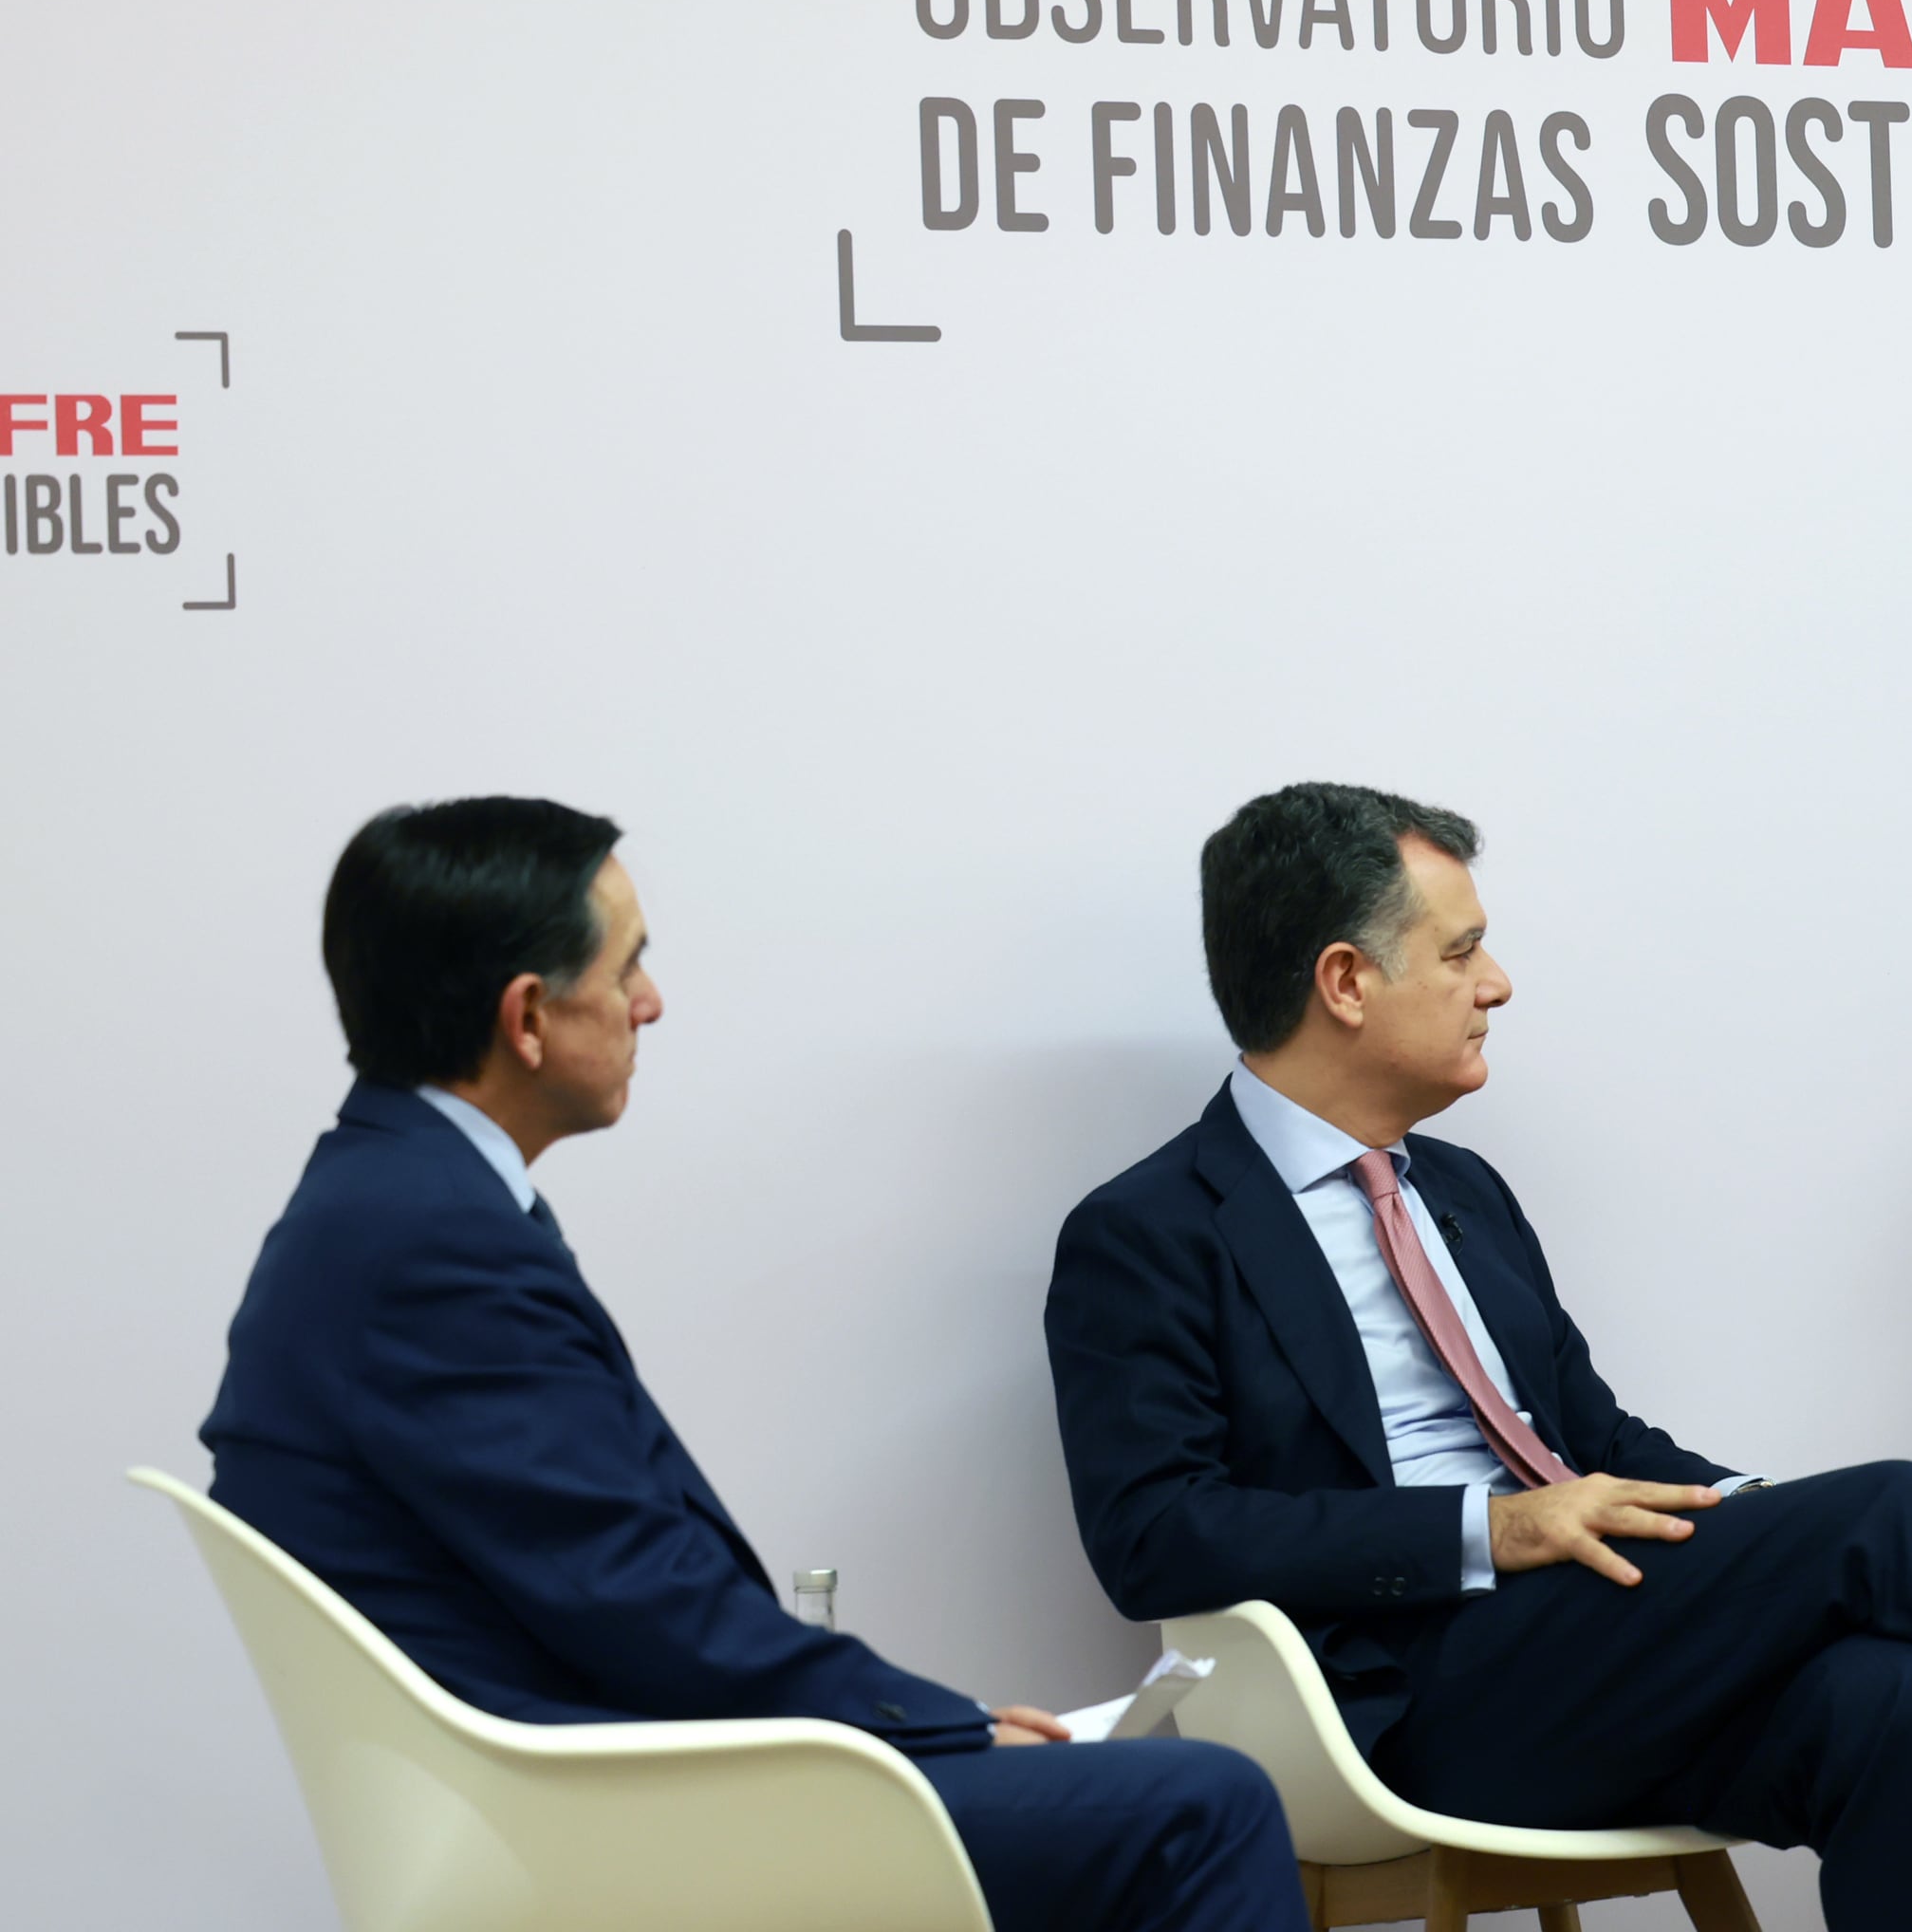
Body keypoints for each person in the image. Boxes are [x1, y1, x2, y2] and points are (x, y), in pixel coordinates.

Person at [1043, 782, 1912, 1932]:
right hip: (1397, 1701)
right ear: (1347, 981)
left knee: (1890, 1695)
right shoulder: (1148, 1232)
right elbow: (1155, 1534)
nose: (1500, 983)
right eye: (1462, 952)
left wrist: (1753, 1528)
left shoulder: (1462, 1194)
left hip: (1593, 1655)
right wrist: (1489, 1530)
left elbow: (1599, 1441)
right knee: (1894, 1508)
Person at [204, 799, 1300, 1932]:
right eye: (629, 965)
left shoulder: (383, 1202)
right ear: (527, 1016)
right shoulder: (429, 1245)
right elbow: (645, 1604)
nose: (651, 1002)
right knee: (1202, 1802)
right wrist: (950, 1723)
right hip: (605, 1813)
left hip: (589, 1782)